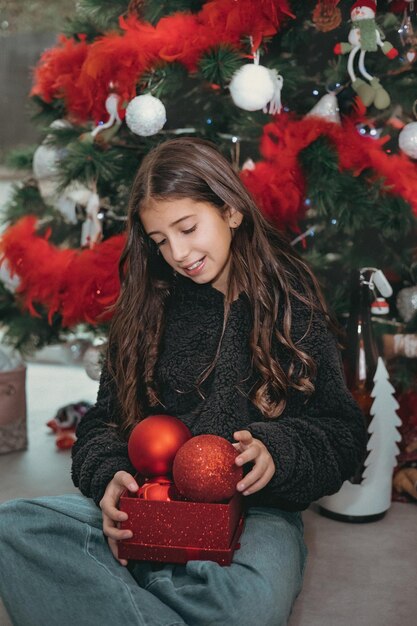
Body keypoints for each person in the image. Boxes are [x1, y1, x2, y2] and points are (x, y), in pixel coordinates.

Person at [0, 138, 367, 626]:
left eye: (188, 228)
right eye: (160, 240)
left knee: (246, 606)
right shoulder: (146, 308)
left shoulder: (290, 305)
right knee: (13, 526)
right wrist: (109, 477)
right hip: (150, 502)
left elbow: (341, 435)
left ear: (231, 210)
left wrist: (277, 451)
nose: (177, 252)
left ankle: (142, 590)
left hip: (257, 515)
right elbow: (101, 425)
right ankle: (164, 589)